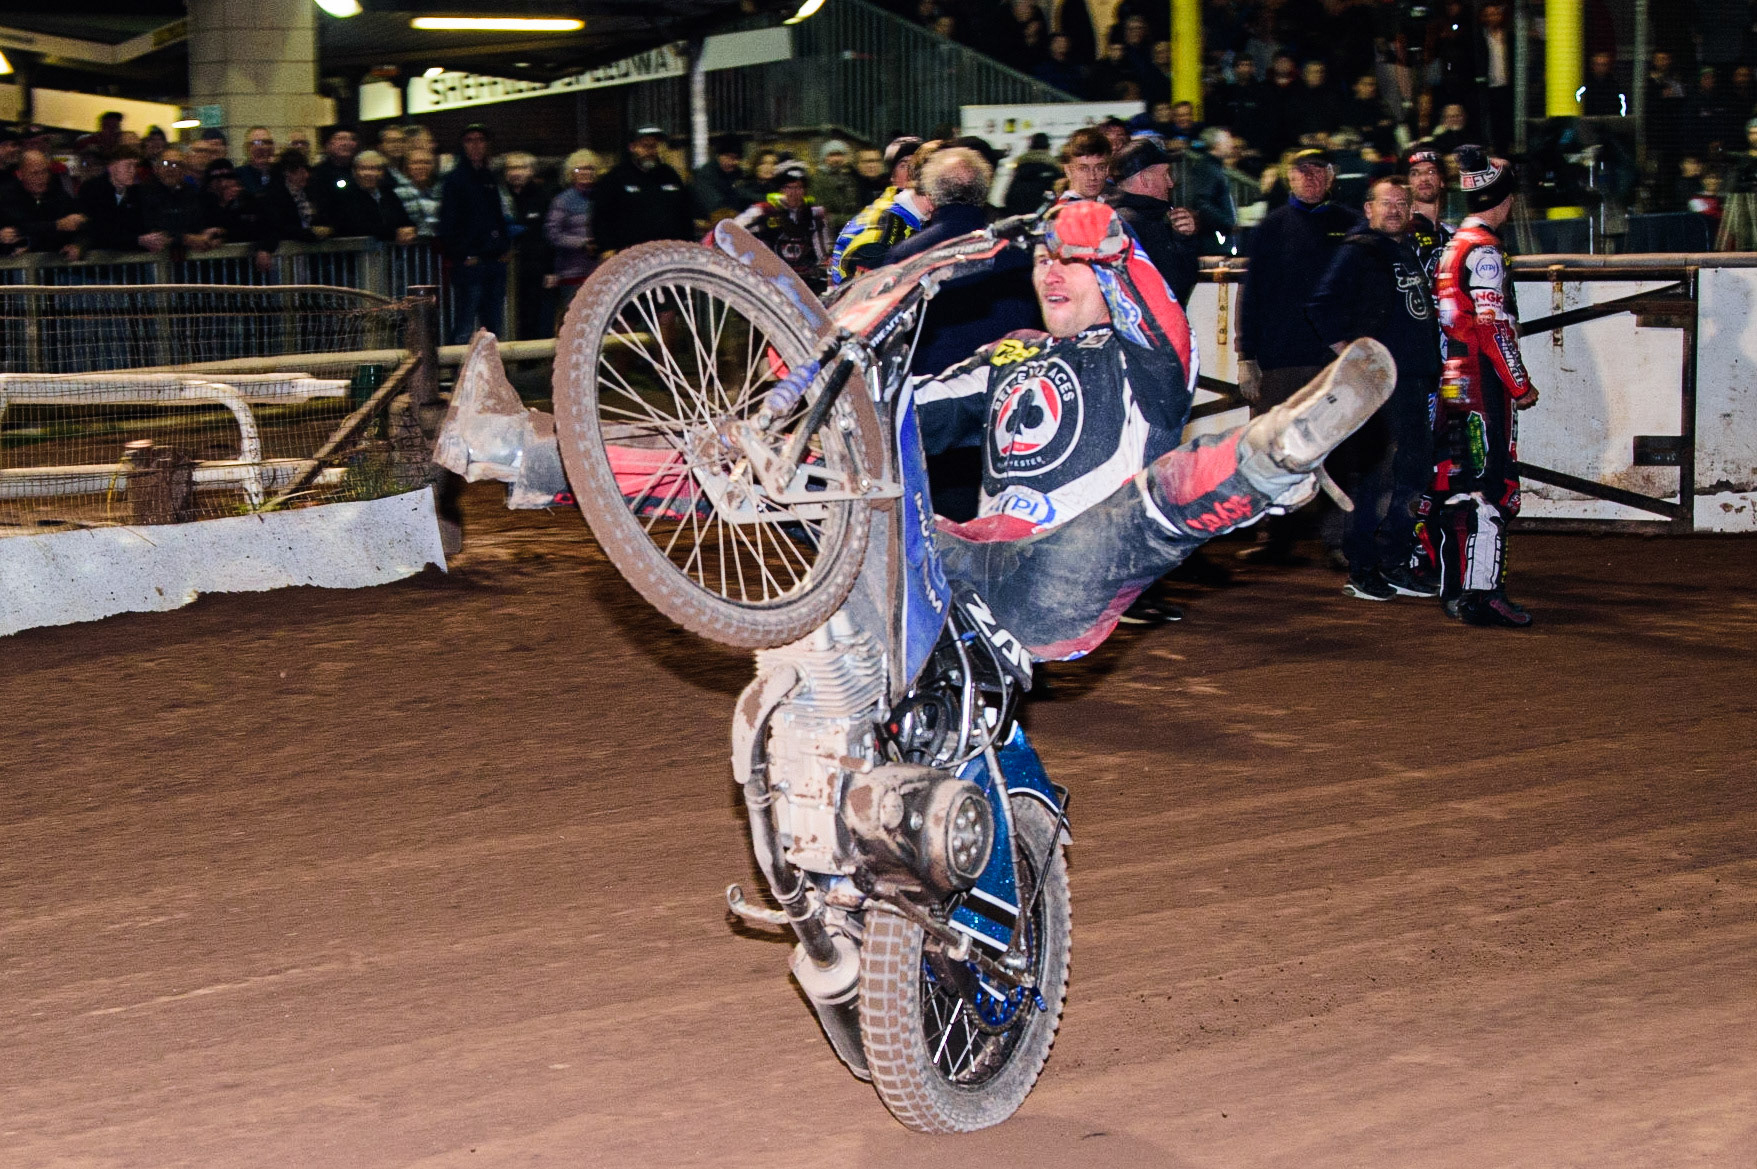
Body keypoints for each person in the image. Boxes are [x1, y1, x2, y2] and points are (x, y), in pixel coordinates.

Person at [911, 199, 1394, 658]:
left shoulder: (1143, 357)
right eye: (1041, 261)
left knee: (1159, 496)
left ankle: (1272, 455)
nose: (1050, 273)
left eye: (1068, 260)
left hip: (1070, 562)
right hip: (968, 559)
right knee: (892, 534)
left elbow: (1155, 322)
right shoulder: (1010, 351)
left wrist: (1116, 250)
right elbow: (907, 409)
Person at [1307, 175, 1443, 601]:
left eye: (1403, 203)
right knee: (1376, 477)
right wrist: (1355, 359)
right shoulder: (1358, 251)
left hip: (1415, 380)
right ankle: (1363, 566)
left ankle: (1395, 561)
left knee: (1412, 475)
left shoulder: (1404, 249)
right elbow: (1321, 304)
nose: (1396, 210)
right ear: (1369, 209)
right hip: (1382, 387)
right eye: (1388, 203)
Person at [1235, 147, 1362, 564]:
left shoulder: (1350, 225)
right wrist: (1247, 355)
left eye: (1316, 172)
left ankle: (1339, 539)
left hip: (1334, 360)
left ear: (1330, 177)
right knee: (1273, 451)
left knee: (1341, 451)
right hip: (1280, 358)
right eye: (1301, 172)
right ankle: (1275, 536)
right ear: (1289, 177)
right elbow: (1250, 294)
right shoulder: (1271, 227)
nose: (1308, 179)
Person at [1432, 146, 1540, 627]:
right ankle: (1482, 593)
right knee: (1491, 485)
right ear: (1506, 199)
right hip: (1480, 380)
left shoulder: (1454, 243)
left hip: (1453, 377)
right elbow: (1493, 327)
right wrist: (1520, 385)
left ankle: (1455, 587)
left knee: (1458, 481)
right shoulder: (1485, 250)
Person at [1104, 137, 1200, 305]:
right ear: (1144, 179)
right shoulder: (1139, 224)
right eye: (1165, 174)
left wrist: (1184, 238)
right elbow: (1174, 287)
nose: (1170, 183)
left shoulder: (1116, 217)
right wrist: (1184, 243)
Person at [438, 123, 511, 343]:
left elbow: (498, 215)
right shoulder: (455, 180)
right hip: (471, 261)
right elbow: (447, 222)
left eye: (481, 140)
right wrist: (463, 255)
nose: (476, 145)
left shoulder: (489, 177)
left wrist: (504, 247)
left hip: (493, 260)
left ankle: (490, 372)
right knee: (465, 322)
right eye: (470, 140)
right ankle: (457, 373)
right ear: (463, 145)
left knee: (493, 323)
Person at [831, 136, 928, 285]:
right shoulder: (884, 219)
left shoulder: (919, 212)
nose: (912, 172)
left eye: (918, 165)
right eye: (904, 165)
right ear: (892, 176)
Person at [594, 124, 697, 258]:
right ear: (632, 147)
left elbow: (685, 213)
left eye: (654, 146)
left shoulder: (669, 175)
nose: (650, 151)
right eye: (645, 146)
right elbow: (601, 216)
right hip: (629, 254)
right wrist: (607, 248)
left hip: (668, 253)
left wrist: (688, 245)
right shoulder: (616, 178)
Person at [733, 160, 832, 292]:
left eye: (799, 187)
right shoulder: (763, 211)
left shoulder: (815, 214)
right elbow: (731, 230)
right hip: (770, 280)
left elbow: (823, 254)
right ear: (780, 189)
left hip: (806, 281)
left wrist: (826, 274)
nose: (794, 192)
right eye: (789, 187)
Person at [502, 151, 553, 339]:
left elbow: (549, 236)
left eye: (521, 167)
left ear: (531, 171)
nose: (516, 172)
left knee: (536, 315)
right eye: (511, 168)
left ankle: (533, 361)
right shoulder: (500, 196)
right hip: (507, 268)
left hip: (536, 268)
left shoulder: (543, 197)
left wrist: (550, 269)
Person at [79, 145, 163, 254]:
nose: (133, 171)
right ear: (112, 167)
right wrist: (137, 240)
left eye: (135, 166)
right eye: (128, 166)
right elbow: (98, 229)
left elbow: (141, 224)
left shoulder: (137, 193)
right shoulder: (92, 189)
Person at [546, 148, 600, 315]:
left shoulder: (601, 197)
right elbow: (552, 233)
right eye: (579, 169)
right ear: (571, 173)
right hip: (571, 272)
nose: (585, 172)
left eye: (589, 168)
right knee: (576, 317)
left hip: (597, 269)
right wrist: (582, 243)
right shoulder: (562, 200)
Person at [322, 150, 416, 243]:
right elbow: (354, 227)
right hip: (354, 253)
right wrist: (394, 233)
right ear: (354, 171)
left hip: (387, 254)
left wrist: (408, 229)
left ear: (382, 172)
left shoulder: (388, 195)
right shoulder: (343, 196)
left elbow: (404, 221)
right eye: (363, 168)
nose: (369, 173)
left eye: (375, 169)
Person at [1405, 146, 1454, 285]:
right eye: (1415, 173)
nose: (1423, 179)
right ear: (1408, 183)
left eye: (1431, 171)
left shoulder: (1454, 234)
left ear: (1442, 180)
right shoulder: (1403, 233)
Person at [693, 134, 752, 222]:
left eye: (737, 158)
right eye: (729, 157)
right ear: (719, 155)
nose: (734, 162)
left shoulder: (738, 173)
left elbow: (746, 194)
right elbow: (716, 206)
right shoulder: (706, 175)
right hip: (712, 225)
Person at [809, 139, 862, 223]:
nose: (836, 159)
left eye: (840, 155)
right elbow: (821, 213)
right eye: (832, 155)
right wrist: (852, 219)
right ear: (824, 157)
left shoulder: (850, 177)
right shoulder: (817, 180)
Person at [1059, 126, 1112, 201]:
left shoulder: (1111, 205)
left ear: (1107, 170)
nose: (1092, 177)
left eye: (1100, 168)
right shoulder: (1061, 210)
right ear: (1068, 171)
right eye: (1083, 169)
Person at [238, 127, 277, 195]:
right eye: (255, 143)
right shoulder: (238, 176)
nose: (262, 147)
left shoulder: (283, 174)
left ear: (273, 147)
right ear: (246, 148)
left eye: (267, 142)